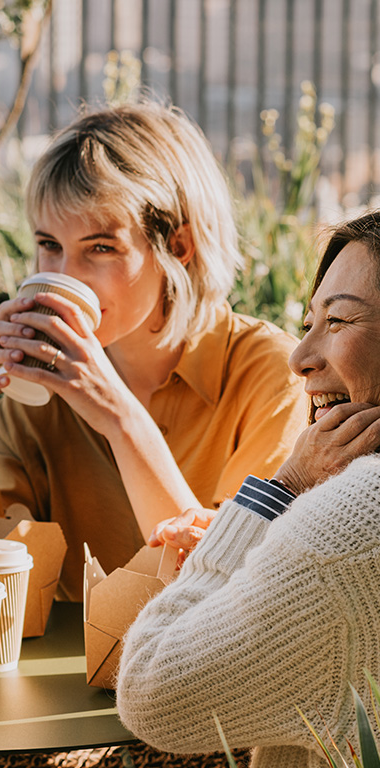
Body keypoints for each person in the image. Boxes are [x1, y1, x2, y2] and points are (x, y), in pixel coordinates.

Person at [0, 100, 308, 605]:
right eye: (49, 244)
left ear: (179, 246)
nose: (64, 274)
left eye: (100, 247)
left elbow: (230, 589)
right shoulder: (40, 385)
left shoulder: (273, 375)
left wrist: (119, 419)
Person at [117, 210, 380, 767]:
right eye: (309, 322)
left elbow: (149, 691)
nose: (300, 358)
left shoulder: (352, 527)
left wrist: (284, 488)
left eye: (338, 321)